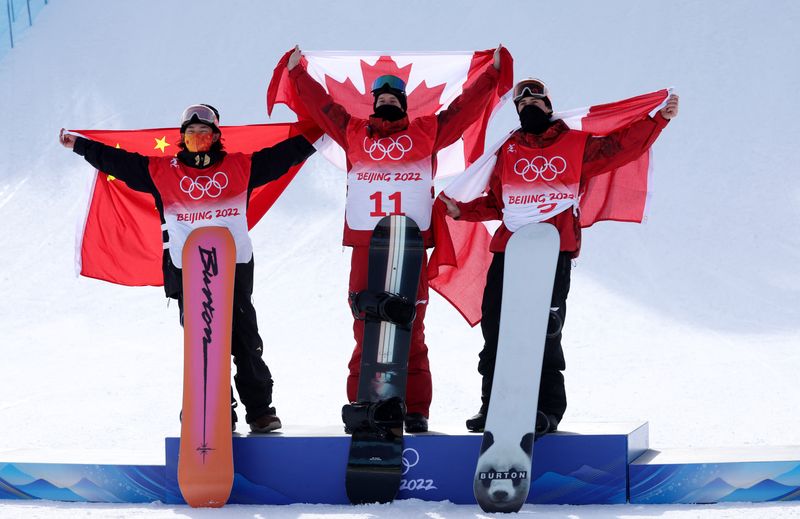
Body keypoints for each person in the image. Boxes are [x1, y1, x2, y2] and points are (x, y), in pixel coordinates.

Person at [59, 104, 319, 433]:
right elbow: (119, 163)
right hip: (187, 268)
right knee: (204, 342)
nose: (197, 138)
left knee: (244, 339)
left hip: (234, 265)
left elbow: (285, 154)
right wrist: (81, 145)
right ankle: (210, 409)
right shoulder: (161, 171)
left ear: (216, 136)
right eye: (191, 133)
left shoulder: (240, 166)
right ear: (182, 137)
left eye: (204, 133)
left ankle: (260, 411)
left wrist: (320, 132)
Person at [439, 79, 680, 434]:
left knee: (543, 330)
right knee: (496, 329)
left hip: (553, 248)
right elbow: (497, 202)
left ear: (549, 107)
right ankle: (492, 405)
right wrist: (463, 211)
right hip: (509, 249)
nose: (527, 108)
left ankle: (546, 410)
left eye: (535, 102)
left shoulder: (575, 145)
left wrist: (658, 119)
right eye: (521, 105)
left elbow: (620, 147)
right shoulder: (508, 149)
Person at [285, 45, 504, 433]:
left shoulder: (426, 131)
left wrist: (490, 76)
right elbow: (323, 108)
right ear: (372, 105)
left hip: (409, 242)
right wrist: (298, 74)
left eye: (393, 98)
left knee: (411, 324)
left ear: (403, 105)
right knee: (365, 323)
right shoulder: (352, 131)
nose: (386, 101)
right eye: (381, 98)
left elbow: (461, 112)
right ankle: (364, 400)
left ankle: (416, 407)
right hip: (367, 242)